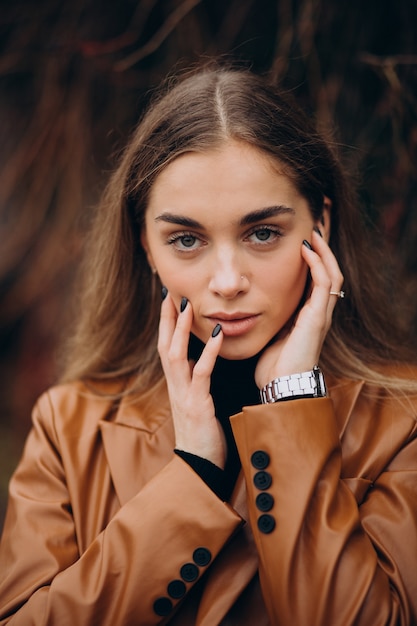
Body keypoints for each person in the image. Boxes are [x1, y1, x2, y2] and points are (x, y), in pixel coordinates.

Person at [0, 63, 416, 626]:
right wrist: (193, 473)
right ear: (145, 245)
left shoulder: (404, 422)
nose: (227, 280)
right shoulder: (70, 425)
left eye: (262, 232)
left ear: (319, 224)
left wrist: (291, 402)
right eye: (187, 239)